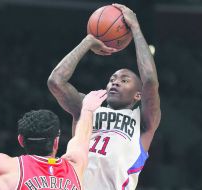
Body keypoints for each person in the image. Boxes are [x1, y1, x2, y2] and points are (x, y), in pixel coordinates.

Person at [47, 3, 161, 190]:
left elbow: (149, 80)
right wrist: (88, 41)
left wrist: (136, 29)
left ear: (138, 95)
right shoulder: (89, 107)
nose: (115, 82)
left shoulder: (144, 121)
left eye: (124, 80)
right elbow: (55, 81)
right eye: (112, 79)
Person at [0, 90, 107, 190]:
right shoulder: (75, 165)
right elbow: (82, 137)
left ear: (20, 140)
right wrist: (87, 110)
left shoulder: (5, 166)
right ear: (56, 141)